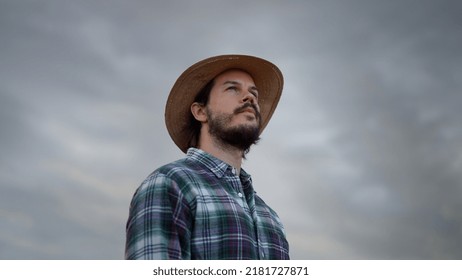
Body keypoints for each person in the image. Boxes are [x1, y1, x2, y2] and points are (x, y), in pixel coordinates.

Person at [125, 54, 289, 260]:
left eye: (253, 93)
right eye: (232, 89)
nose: (250, 98)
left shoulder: (270, 217)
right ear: (201, 111)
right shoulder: (170, 184)